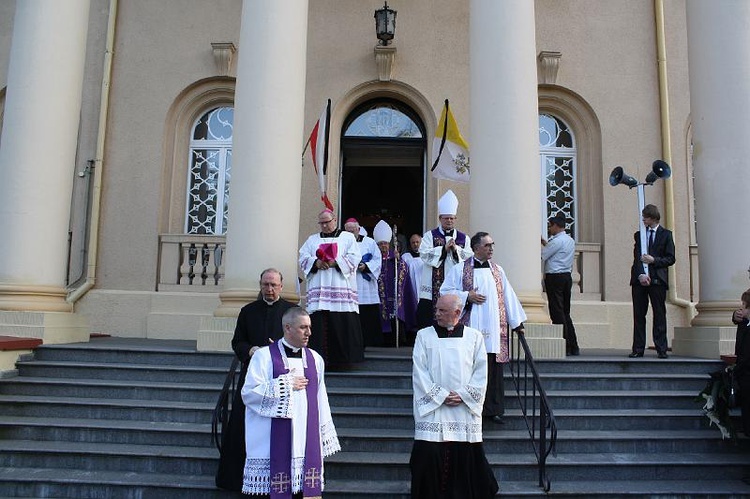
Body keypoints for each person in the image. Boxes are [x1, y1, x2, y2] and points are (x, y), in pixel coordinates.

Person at [241, 306, 341, 497]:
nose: (309, 333)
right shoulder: (263, 357)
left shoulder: (315, 359)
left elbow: (322, 399)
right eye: (303, 327)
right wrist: (284, 384)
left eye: (309, 327)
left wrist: (323, 434)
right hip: (270, 441)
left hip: (306, 439)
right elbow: (248, 394)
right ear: (287, 328)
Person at [410, 294, 499, 499]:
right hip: (434, 410)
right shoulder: (424, 335)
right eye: (437, 309)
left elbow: (481, 371)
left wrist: (464, 395)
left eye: (442, 310)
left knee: (465, 456)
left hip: (463, 409)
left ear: (457, 313)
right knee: (428, 455)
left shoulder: (474, 337)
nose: (437, 314)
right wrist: (440, 395)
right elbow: (419, 371)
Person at [216, 268, 296, 491]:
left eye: (273, 285)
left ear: (281, 285)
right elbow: (237, 342)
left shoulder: (292, 311)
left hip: (283, 379)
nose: (269, 289)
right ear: (260, 285)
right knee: (245, 426)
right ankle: (238, 479)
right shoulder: (248, 311)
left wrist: (281, 349)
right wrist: (252, 350)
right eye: (265, 285)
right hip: (253, 379)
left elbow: (303, 341)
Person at [440, 231, 527, 425]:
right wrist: (466, 297)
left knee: (492, 371)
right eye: (487, 245)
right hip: (470, 328)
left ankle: (492, 410)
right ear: (476, 248)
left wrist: (517, 323)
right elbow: (445, 292)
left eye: (492, 245)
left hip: (493, 331)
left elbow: (508, 296)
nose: (491, 249)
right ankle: (467, 407)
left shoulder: (497, 271)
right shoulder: (459, 270)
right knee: (468, 370)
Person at [299, 209, 364, 368]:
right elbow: (303, 256)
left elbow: (355, 257)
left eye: (327, 222)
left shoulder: (347, 237)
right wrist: (316, 263)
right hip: (319, 290)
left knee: (341, 326)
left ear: (334, 220)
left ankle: (344, 362)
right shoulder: (312, 240)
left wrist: (335, 262)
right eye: (321, 223)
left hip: (340, 288)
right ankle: (318, 362)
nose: (324, 225)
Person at [417, 190, 473, 328]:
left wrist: (456, 250)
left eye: (452, 218)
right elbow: (423, 254)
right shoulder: (430, 235)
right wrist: (443, 249)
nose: (449, 221)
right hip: (432, 284)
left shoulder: (463, 238)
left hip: (454, 283)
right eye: (446, 218)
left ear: (455, 219)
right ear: (440, 218)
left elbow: (469, 257)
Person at [628, 204, 675, 359]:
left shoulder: (666, 235)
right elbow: (637, 258)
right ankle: (638, 348)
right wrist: (641, 274)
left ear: (653, 218)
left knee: (659, 313)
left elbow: (671, 258)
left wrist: (654, 260)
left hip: (658, 280)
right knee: (639, 314)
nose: (644, 220)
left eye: (646, 217)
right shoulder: (639, 235)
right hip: (640, 281)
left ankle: (661, 348)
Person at [541, 215, 580, 356]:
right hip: (566, 277)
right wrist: (545, 243)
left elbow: (542, 255)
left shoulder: (556, 242)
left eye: (550, 226)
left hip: (555, 278)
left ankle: (564, 344)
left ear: (556, 226)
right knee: (565, 312)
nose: (550, 229)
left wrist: (542, 244)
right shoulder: (569, 240)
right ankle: (573, 345)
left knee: (557, 311)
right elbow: (552, 249)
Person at [344, 218, 383, 348]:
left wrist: (365, 266)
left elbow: (378, 260)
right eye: (348, 231)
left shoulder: (369, 242)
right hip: (349, 284)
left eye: (352, 230)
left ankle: (367, 342)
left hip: (365, 284)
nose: (350, 233)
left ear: (358, 229)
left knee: (367, 317)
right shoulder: (342, 243)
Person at [373, 220, 408, 346]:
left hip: (394, 292)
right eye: (381, 244)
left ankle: (397, 340)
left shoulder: (396, 257)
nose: (383, 246)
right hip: (380, 294)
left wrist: (398, 262)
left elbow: (404, 269)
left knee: (395, 312)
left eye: (385, 244)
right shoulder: (374, 258)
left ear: (389, 244)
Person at [732, 288, 750, 436]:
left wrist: (736, 369)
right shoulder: (745, 323)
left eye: (742, 305)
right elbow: (738, 320)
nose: (740, 308)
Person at [400, 233, 423, 342]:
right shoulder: (406, 257)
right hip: (411, 288)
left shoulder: (427, 256)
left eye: (417, 242)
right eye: (413, 242)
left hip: (423, 288)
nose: (415, 244)